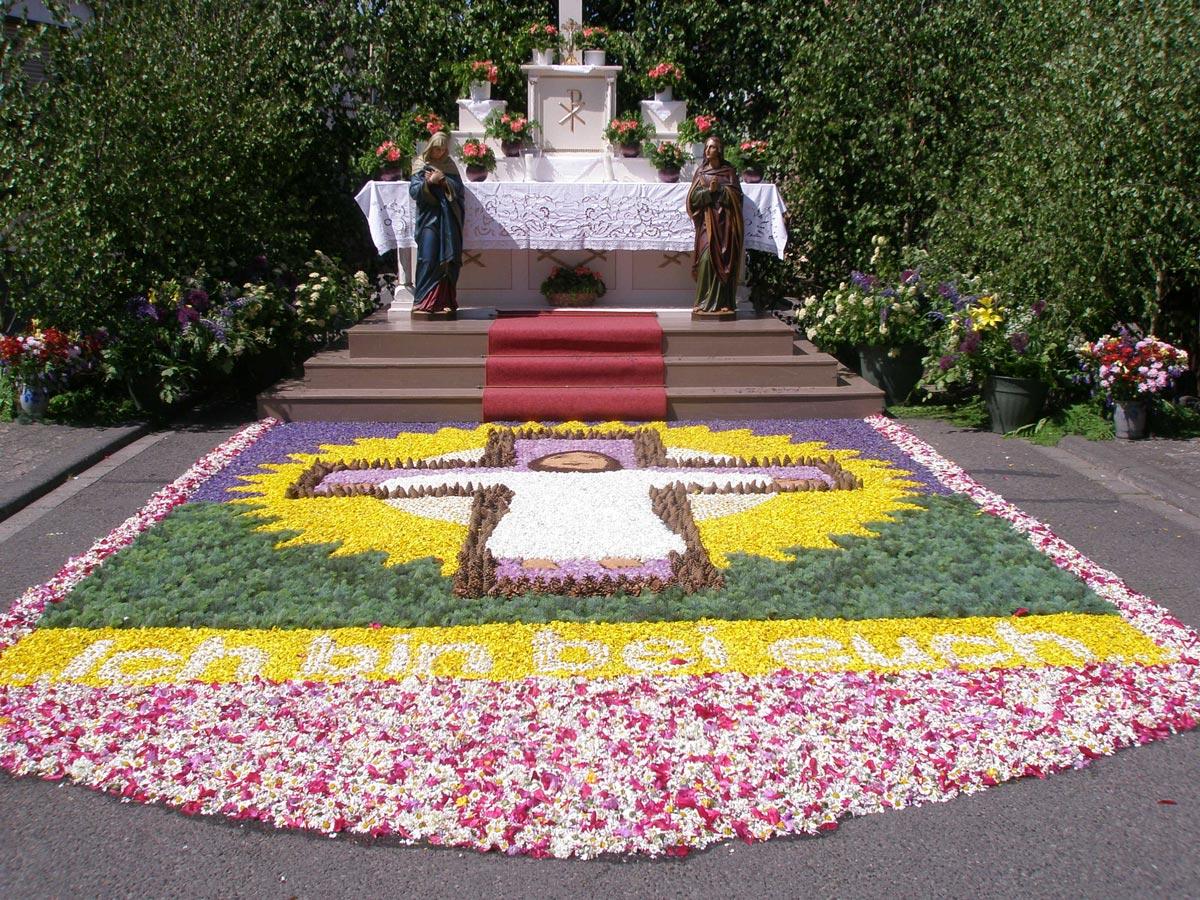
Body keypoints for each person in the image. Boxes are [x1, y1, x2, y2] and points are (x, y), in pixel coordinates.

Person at [686, 135, 744, 319]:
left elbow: (738, 197)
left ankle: (724, 303)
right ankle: (703, 302)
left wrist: (721, 190)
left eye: (712, 147)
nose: (709, 150)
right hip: (707, 224)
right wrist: (708, 192)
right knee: (705, 260)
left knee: (726, 260)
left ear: (719, 150)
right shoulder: (701, 173)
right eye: (707, 147)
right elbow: (692, 200)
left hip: (726, 224)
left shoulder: (729, 172)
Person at [408, 130, 464, 317]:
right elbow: (415, 191)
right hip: (429, 218)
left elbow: (459, 191)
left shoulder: (449, 166)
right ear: (430, 148)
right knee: (427, 257)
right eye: (436, 149)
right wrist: (430, 182)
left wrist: (444, 180)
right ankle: (422, 301)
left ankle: (445, 301)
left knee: (448, 260)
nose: (439, 153)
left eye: (442, 149)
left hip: (447, 219)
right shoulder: (420, 164)